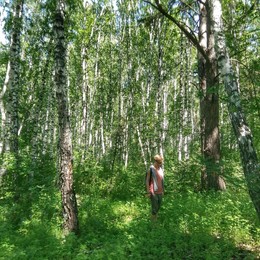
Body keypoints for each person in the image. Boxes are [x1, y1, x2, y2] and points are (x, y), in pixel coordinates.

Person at [146, 154, 164, 221]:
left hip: (160, 191)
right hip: (153, 192)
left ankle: (155, 220)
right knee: (154, 208)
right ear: (155, 161)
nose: (160, 164)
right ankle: (153, 224)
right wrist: (148, 192)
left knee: (158, 207)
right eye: (159, 163)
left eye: (161, 163)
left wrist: (163, 190)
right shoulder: (151, 169)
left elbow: (162, 179)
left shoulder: (160, 169)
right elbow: (147, 180)